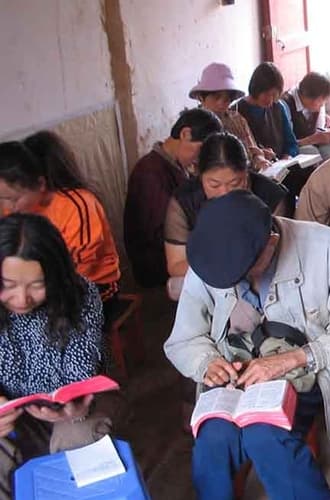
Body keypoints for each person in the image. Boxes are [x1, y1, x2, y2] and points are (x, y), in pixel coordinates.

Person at [164, 190, 330, 500]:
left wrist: (295, 358)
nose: (237, 283)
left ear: (271, 242)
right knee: (213, 440)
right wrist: (207, 362)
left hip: (305, 372)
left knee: (265, 434)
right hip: (235, 378)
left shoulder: (323, 247)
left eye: (245, 273)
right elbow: (185, 338)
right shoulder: (212, 257)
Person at [0, 213, 111, 499]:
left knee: (81, 439)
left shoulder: (80, 293)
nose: (21, 299)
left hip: (68, 406)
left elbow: (81, 370)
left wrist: (72, 408)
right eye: (7, 284)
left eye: (37, 284)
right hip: (9, 412)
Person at [0, 132, 121, 316]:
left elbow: (82, 266)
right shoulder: (12, 211)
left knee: (48, 318)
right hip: (37, 284)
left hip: (94, 283)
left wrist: (38, 288)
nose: (7, 207)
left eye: (13, 199)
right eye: (2, 199)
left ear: (40, 184)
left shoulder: (78, 204)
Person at [164, 132, 291, 278]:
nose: (224, 193)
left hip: (260, 274)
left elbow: (278, 255)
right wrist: (225, 266)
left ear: (247, 173)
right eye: (214, 184)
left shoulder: (271, 196)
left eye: (234, 183)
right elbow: (176, 266)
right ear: (199, 176)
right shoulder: (184, 201)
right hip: (207, 277)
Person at [124, 108, 222, 288]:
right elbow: (166, 231)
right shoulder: (150, 173)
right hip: (159, 266)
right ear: (185, 134)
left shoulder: (179, 167)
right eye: (201, 150)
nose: (200, 159)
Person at [236, 62, 310, 198]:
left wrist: (286, 158)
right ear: (256, 89)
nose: (270, 101)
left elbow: (291, 143)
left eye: (275, 96)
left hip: (280, 167)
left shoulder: (278, 107)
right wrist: (260, 155)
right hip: (258, 173)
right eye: (267, 94)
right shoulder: (238, 112)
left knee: (309, 178)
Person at [189, 62, 273, 171]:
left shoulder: (237, 119)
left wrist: (260, 159)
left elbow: (253, 151)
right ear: (201, 97)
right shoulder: (193, 126)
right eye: (216, 97)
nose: (221, 103)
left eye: (226, 99)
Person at [282, 72, 330, 160]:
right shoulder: (285, 105)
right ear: (312, 99)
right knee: (310, 152)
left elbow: (317, 130)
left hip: (314, 144)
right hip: (297, 150)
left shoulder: (312, 104)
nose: (322, 105)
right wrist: (313, 139)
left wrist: (329, 134)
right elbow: (285, 145)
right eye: (322, 101)